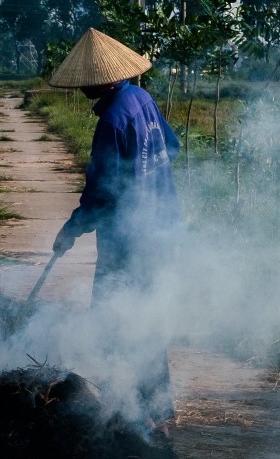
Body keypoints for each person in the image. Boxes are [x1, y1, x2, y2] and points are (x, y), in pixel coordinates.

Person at [45, 28, 183, 433]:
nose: (83, 86)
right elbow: (170, 148)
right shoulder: (142, 99)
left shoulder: (112, 119)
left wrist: (71, 230)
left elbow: (103, 196)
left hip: (132, 242)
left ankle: (132, 413)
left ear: (102, 79)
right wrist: (146, 172)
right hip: (164, 228)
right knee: (144, 319)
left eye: (87, 79)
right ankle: (155, 410)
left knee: (116, 320)